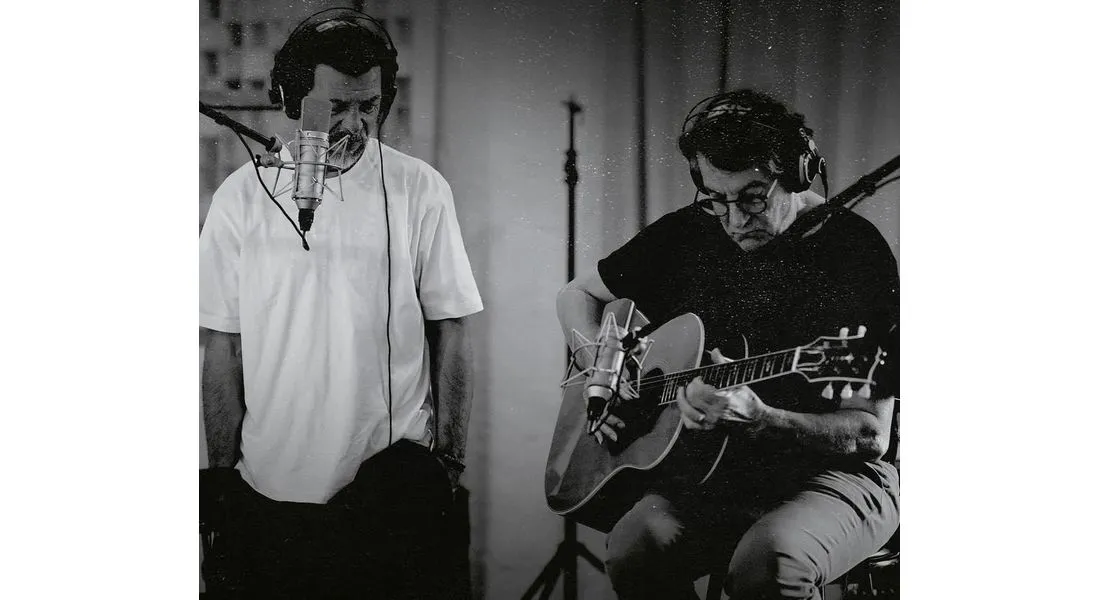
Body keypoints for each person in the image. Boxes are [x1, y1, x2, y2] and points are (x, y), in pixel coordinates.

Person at [556, 88, 899, 600]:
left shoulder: (854, 253)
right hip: (717, 475)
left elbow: (871, 434)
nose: (737, 219)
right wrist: (605, 372)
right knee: (635, 545)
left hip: (837, 476)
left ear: (797, 173)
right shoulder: (692, 233)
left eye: (755, 197)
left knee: (768, 561)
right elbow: (577, 294)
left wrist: (764, 419)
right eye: (718, 199)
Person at [199, 8, 482, 599]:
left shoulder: (420, 190)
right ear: (291, 98)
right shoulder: (239, 199)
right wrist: (221, 488)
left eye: (369, 105)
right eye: (337, 106)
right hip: (269, 498)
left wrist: (447, 467)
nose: (356, 123)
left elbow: (451, 330)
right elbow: (223, 346)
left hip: (393, 496)